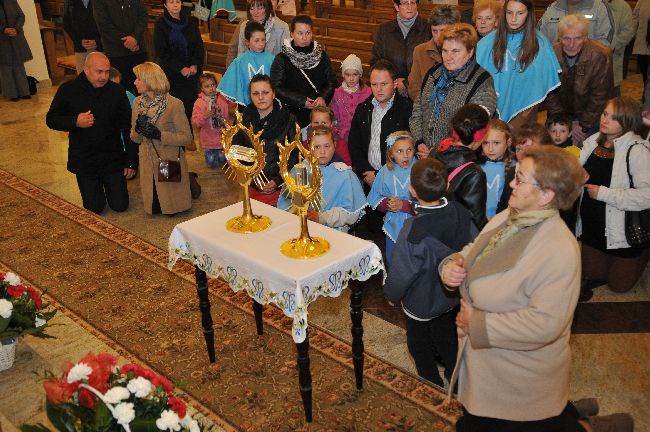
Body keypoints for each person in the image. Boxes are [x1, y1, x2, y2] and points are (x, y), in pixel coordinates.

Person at [440, 145, 585, 431]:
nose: (511, 184)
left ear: (546, 195)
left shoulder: (559, 250)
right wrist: (451, 265)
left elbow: (545, 324)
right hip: (488, 366)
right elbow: (476, 249)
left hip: (517, 380)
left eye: (520, 179)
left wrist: (477, 323)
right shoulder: (513, 214)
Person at [384, 157, 478, 388]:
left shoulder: (412, 231)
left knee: (418, 344)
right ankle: (455, 380)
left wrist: (391, 295)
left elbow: (401, 272)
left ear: (412, 190)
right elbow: (474, 246)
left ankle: (431, 383)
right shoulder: (460, 212)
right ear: (447, 186)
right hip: (450, 296)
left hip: (421, 302)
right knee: (446, 335)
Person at [578, 96, 650, 301]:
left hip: (624, 231)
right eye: (605, 114)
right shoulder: (592, 141)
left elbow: (647, 196)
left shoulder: (638, 151)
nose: (605, 120)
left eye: (614, 118)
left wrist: (604, 193)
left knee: (619, 286)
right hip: (592, 228)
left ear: (627, 122)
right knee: (593, 276)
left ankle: (644, 251)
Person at [46, 52, 137, 214]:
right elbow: (51, 119)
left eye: (107, 72)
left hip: (112, 158)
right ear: (86, 70)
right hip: (85, 160)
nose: (104, 76)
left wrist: (130, 161)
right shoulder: (68, 90)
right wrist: (75, 121)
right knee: (94, 208)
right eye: (99, 72)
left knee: (120, 206)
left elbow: (128, 127)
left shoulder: (116, 91)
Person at [410, 23, 496, 154]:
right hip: (424, 152)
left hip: (459, 157)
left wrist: (439, 151)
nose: (448, 57)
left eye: (455, 51)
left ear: (470, 51)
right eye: (445, 51)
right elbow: (418, 110)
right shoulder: (434, 73)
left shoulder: (482, 81)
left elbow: (473, 129)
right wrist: (419, 141)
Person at [477, 0, 561, 128]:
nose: (513, 18)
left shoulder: (540, 44)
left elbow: (537, 87)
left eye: (520, 13)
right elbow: (478, 83)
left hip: (525, 115)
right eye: (509, 13)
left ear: (529, 14)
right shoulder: (486, 43)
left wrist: (517, 122)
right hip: (491, 113)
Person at [278, 125, 367, 233]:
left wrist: (321, 218)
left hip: (335, 232)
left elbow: (350, 214)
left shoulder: (344, 174)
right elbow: (292, 201)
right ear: (309, 148)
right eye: (317, 147)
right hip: (303, 228)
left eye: (327, 146)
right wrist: (301, 211)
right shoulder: (302, 170)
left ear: (334, 146)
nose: (322, 152)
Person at [131, 62, 193, 215]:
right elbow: (134, 138)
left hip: (168, 159)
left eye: (138, 78)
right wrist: (138, 131)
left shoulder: (174, 104)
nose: (134, 82)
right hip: (147, 161)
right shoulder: (137, 103)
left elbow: (187, 137)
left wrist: (159, 135)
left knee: (171, 207)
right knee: (154, 207)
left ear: (149, 79)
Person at [544, 14, 614, 146]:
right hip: (558, 113)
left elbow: (600, 97)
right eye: (566, 38)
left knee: (585, 149)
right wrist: (566, 123)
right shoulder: (550, 53)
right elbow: (549, 92)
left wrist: (582, 126)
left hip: (590, 116)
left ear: (585, 38)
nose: (571, 44)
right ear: (559, 38)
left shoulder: (601, 56)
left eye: (577, 38)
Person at [348, 60, 413, 190]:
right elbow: (354, 144)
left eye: (384, 84)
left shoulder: (406, 109)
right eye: (374, 84)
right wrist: (366, 172)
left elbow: (408, 150)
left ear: (394, 84)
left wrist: (379, 175)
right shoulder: (363, 109)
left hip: (396, 179)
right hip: (367, 178)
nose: (379, 89)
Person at [235, 74, 297, 206]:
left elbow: (295, 156)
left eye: (265, 92)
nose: (261, 97)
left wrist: (278, 180)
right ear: (250, 96)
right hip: (252, 186)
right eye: (255, 93)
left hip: (283, 187)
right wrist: (253, 178)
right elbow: (237, 152)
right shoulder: (243, 120)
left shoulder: (288, 119)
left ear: (273, 94)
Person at [270, 15, 337, 128]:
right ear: (292, 34)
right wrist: (301, 101)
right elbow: (276, 87)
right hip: (292, 114)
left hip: (318, 113)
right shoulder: (282, 58)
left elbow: (332, 81)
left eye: (308, 33)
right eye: (300, 33)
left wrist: (323, 97)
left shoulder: (321, 55)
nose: (304, 38)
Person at [431, 104, 489, 230]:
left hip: (432, 228)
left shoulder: (436, 151)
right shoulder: (474, 173)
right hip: (456, 238)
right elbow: (475, 222)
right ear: (481, 135)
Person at [367, 131, 417, 263]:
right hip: (393, 226)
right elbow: (374, 197)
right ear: (391, 154)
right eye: (399, 151)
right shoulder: (385, 171)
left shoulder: (420, 168)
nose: (406, 156)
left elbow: (429, 202)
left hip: (417, 226)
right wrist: (386, 203)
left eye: (409, 150)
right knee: (393, 260)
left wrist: (404, 205)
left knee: (413, 262)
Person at [154, 0, 205, 124]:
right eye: (171, 2)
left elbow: (198, 45)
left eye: (177, 1)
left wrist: (194, 64)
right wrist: (180, 68)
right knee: (176, 112)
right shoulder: (161, 24)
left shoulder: (191, 21)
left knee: (192, 109)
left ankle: (190, 139)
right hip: (173, 74)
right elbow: (162, 52)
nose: (175, 4)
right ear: (165, 5)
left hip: (192, 73)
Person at [371, 0, 431, 98]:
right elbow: (376, 61)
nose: (410, 6)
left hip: (419, 90)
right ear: (396, 6)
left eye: (413, 2)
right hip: (391, 89)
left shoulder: (428, 28)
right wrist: (393, 81)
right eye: (405, 3)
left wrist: (406, 83)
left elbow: (431, 63)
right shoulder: (384, 30)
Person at [93, 0, 148, 95]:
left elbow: (143, 16)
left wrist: (135, 37)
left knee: (145, 88)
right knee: (122, 91)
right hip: (116, 52)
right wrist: (128, 42)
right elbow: (104, 24)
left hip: (138, 50)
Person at [407, 5, 460, 101]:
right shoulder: (420, 51)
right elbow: (413, 89)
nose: (439, 36)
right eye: (434, 31)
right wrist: (432, 105)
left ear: (455, 29)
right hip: (427, 109)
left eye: (443, 31)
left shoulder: (464, 52)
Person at [218, 21, 275, 106]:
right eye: (256, 40)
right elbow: (232, 84)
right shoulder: (240, 61)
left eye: (263, 40)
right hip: (246, 105)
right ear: (247, 42)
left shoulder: (272, 59)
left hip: (268, 104)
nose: (261, 44)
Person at [330, 54, 372, 164]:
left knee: (360, 162)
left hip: (362, 135)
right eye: (348, 75)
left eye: (355, 74)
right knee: (345, 162)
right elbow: (335, 116)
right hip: (344, 136)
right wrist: (335, 132)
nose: (351, 78)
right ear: (343, 75)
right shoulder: (337, 93)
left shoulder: (368, 92)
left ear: (360, 75)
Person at [226, 0, 289, 66]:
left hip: (271, 71)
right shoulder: (244, 25)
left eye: (260, 8)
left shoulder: (282, 27)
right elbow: (240, 53)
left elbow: (284, 59)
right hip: (247, 69)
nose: (256, 12)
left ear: (267, 9)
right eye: (252, 9)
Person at [192, 73, 231, 168]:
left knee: (223, 164)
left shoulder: (222, 99)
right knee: (212, 165)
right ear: (202, 88)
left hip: (222, 140)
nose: (211, 88)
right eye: (207, 86)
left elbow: (228, 112)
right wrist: (205, 116)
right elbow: (195, 123)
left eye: (213, 85)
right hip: (208, 141)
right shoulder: (199, 103)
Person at [538, 0, 615, 48]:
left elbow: (607, 41)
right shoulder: (552, 8)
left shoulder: (600, 7)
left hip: (590, 67)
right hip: (558, 66)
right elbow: (539, 39)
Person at [480, 119, 514, 219]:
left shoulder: (515, 168)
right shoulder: (476, 166)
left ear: (508, 142)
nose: (490, 149)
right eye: (485, 143)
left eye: (496, 143)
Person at [0, 0, 32, 101]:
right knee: (5, 67)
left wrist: (16, 29)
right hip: (2, 39)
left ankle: (25, 92)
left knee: (19, 64)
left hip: (16, 36)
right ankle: (11, 94)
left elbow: (21, 16)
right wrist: (3, 29)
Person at [63, 0, 103, 73]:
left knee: (101, 77)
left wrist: (98, 41)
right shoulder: (70, 2)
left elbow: (108, 23)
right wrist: (79, 41)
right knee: (83, 79)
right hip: (81, 49)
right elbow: (67, 24)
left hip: (101, 48)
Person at [633, 0, 650, 100]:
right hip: (642, 43)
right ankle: (646, 88)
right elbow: (635, 17)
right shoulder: (643, 1)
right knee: (644, 69)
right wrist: (634, 34)